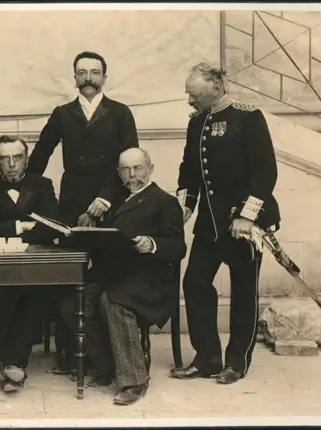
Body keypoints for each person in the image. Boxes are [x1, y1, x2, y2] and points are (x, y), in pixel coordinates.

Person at [27, 51, 139, 373]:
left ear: (105, 76)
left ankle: (106, 356)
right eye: (82, 72)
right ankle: (69, 357)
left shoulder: (120, 113)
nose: (88, 78)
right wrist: (36, 200)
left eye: (94, 72)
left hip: (111, 204)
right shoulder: (63, 114)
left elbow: (129, 162)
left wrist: (105, 199)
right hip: (71, 206)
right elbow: (39, 158)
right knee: (69, 275)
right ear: (74, 77)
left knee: (106, 274)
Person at [170, 63, 281, 385]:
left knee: (244, 293)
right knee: (194, 284)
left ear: (216, 88)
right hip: (210, 224)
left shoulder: (247, 117)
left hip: (244, 224)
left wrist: (246, 216)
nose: (189, 101)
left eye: (194, 95)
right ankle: (207, 358)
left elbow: (265, 172)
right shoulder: (196, 123)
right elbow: (189, 170)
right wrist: (184, 210)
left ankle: (236, 362)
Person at [60, 148, 187, 405]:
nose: (132, 175)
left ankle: (134, 379)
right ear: (118, 173)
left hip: (151, 278)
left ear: (150, 168)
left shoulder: (164, 201)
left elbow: (178, 247)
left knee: (113, 301)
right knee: (72, 304)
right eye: (125, 170)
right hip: (115, 273)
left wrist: (151, 243)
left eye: (138, 168)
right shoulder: (116, 201)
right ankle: (106, 365)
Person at [0, 135, 60, 392]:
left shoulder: (43, 184)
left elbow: (52, 225)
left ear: (27, 159)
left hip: (37, 262)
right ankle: (12, 365)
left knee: (35, 296)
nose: (11, 164)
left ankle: (10, 363)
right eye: (4, 159)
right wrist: (20, 226)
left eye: (17, 158)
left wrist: (5, 233)